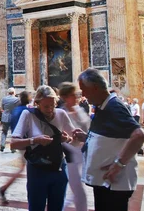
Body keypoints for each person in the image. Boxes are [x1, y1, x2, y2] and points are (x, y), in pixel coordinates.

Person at [72, 68, 144, 211]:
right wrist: (87, 137)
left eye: (84, 90)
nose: (83, 95)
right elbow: (111, 136)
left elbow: (139, 135)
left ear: (94, 88)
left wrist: (119, 164)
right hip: (105, 180)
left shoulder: (114, 106)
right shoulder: (103, 106)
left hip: (115, 182)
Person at [11, 85, 74, 211]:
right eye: (46, 106)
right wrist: (35, 140)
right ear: (37, 103)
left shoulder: (61, 114)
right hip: (37, 169)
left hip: (59, 168)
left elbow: (71, 137)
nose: (50, 109)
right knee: (36, 206)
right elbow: (13, 143)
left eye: (53, 105)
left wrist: (66, 139)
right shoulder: (28, 115)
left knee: (57, 207)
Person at [58, 82, 90, 211]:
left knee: (77, 188)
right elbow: (62, 136)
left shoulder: (79, 109)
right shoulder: (61, 113)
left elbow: (88, 127)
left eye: (76, 95)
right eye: (73, 95)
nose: (76, 98)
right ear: (65, 97)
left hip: (84, 151)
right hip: (71, 154)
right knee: (78, 188)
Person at [0, 90, 32, 203]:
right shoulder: (27, 111)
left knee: (24, 167)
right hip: (25, 142)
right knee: (27, 168)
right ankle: (4, 188)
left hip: (19, 140)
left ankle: (4, 188)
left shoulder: (16, 110)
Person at [1, 87, 20, 152]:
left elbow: (3, 107)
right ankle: (13, 148)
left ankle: (2, 144)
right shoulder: (16, 99)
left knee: (4, 132)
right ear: (14, 92)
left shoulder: (4, 99)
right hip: (13, 117)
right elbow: (18, 108)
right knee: (14, 133)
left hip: (5, 117)